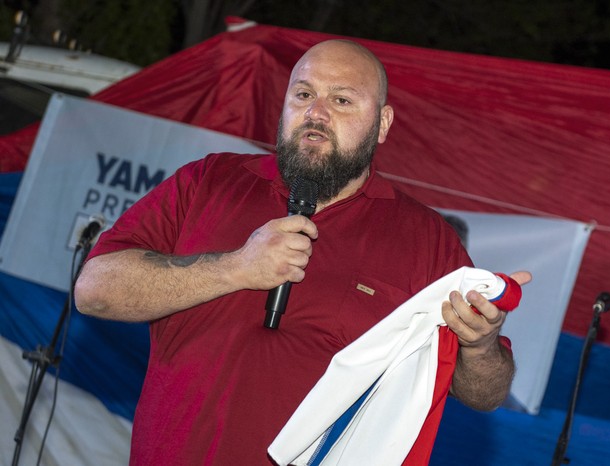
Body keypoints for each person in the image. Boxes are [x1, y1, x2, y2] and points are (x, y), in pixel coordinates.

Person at [75, 39, 531, 465]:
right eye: (303, 94)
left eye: (341, 100)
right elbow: (94, 290)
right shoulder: (209, 181)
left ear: (383, 124)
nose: (316, 113)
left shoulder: (427, 241)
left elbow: (485, 393)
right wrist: (236, 268)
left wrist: (480, 344)